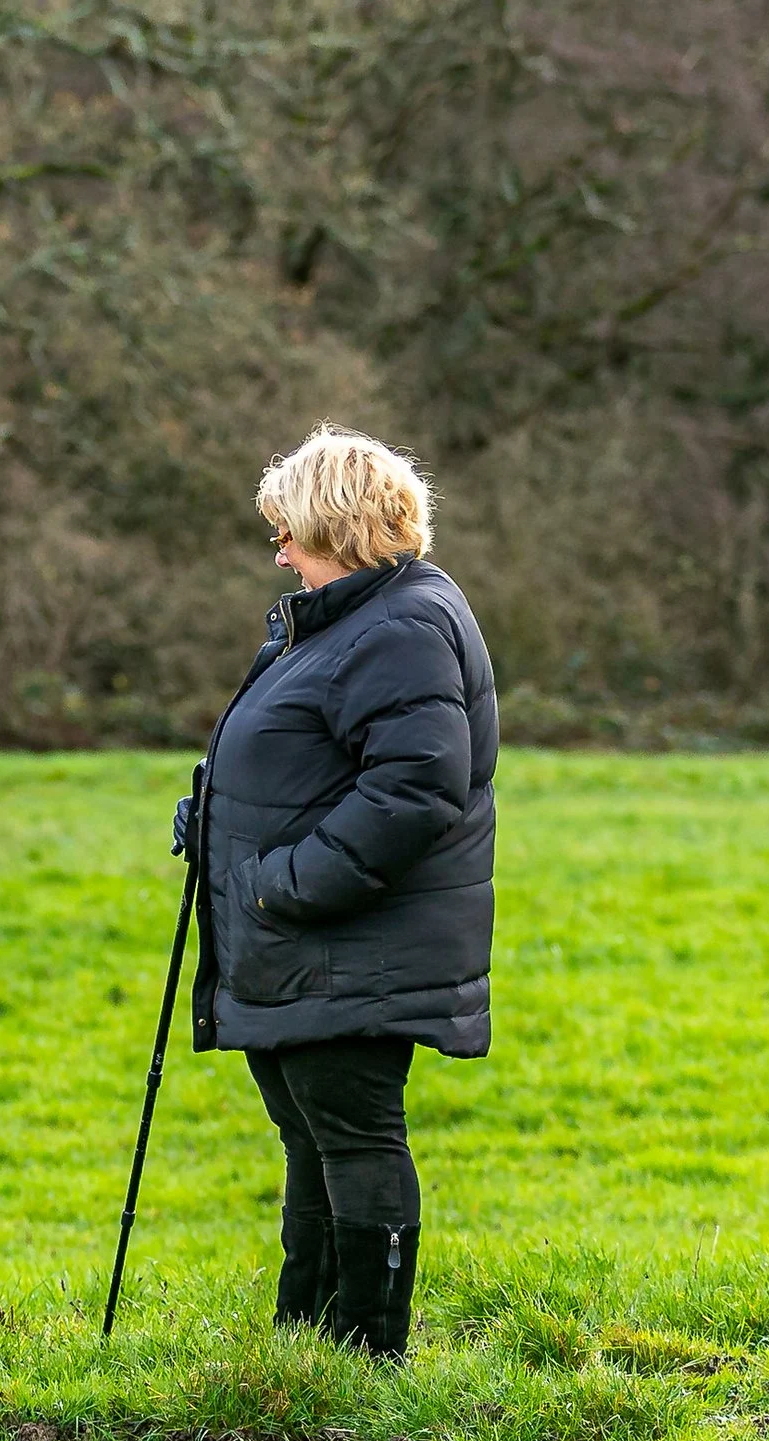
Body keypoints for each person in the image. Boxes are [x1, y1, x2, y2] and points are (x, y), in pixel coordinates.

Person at [175, 426, 497, 1358]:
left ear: (338, 526)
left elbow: (416, 789)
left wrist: (280, 885)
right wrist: (215, 818)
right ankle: (306, 1334)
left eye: (287, 531)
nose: (276, 551)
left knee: (352, 1132)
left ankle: (367, 1348)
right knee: (310, 1129)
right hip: (302, 936)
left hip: (347, 936)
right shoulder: (348, 618)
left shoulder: (404, 623)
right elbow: (311, 760)